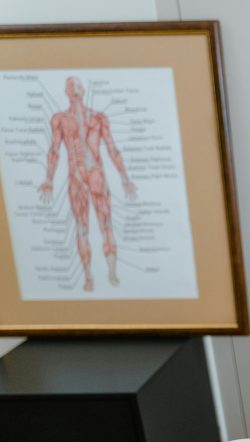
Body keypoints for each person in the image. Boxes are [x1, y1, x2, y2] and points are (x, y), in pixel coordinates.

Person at [39, 76, 137, 292]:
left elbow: (111, 148)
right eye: (70, 86)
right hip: (76, 178)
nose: (75, 88)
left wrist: (124, 177)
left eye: (77, 85)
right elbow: (54, 150)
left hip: (96, 175)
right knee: (82, 228)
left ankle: (112, 272)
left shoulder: (98, 118)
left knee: (106, 225)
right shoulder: (59, 119)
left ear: (83, 90)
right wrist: (49, 179)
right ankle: (88, 276)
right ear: (66, 91)